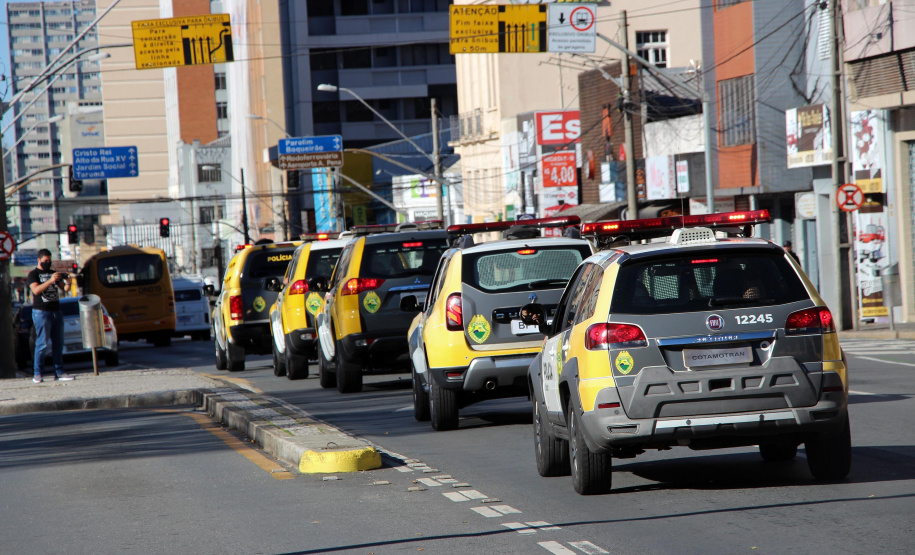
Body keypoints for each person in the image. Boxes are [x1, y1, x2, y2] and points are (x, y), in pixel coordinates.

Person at [27, 249, 75, 383]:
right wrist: (50, 280)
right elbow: (36, 290)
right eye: (45, 261)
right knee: (42, 344)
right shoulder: (33, 274)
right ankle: (37, 373)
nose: (48, 263)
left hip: (56, 311)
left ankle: (59, 372)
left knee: (58, 343)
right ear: (39, 260)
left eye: (49, 261)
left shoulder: (54, 273)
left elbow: (64, 289)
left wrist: (69, 283)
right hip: (41, 312)